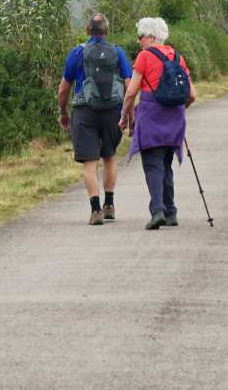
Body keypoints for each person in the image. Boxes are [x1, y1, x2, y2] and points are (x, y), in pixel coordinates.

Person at [122, 17, 195, 230]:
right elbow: (192, 94)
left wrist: (124, 115)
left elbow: (131, 92)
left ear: (152, 37)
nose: (139, 41)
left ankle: (157, 211)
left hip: (151, 115)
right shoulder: (177, 57)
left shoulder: (144, 56)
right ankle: (171, 211)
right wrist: (181, 110)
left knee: (152, 163)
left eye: (141, 37)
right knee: (166, 163)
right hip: (174, 116)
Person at [59, 12, 132, 225]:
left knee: (90, 163)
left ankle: (95, 210)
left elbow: (64, 88)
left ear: (87, 31)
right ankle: (110, 205)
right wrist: (128, 114)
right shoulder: (117, 52)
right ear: (107, 31)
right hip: (112, 110)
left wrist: (63, 112)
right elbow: (129, 85)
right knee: (109, 157)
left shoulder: (77, 53)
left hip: (84, 110)